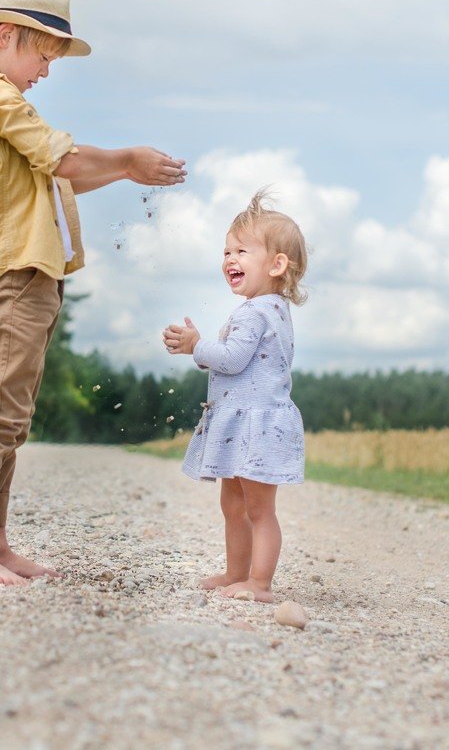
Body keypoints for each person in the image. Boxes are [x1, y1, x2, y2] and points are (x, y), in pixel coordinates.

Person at [0, 0, 186, 586]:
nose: (46, 72)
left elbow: (63, 176)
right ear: (4, 36)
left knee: (13, 416)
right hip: (12, 269)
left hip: (31, 271)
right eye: (42, 55)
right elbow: (66, 159)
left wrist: (125, 172)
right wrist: (129, 159)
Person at [162, 190, 307, 603]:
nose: (229, 259)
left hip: (256, 425)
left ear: (277, 264)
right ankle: (235, 572)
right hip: (243, 422)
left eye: (242, 250)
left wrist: (196, 345)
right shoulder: (271, 308)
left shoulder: (255, 311)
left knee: (258, 510)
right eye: (226, 251)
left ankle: (258, 583)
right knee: (233, 504)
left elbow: (233, 358)